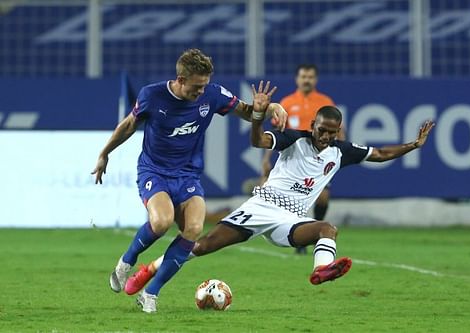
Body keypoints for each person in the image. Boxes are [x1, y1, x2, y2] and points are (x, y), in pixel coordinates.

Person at [123, 83, 436, 299]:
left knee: (328, 228)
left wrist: (414, 145)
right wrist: (258, 117)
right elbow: (258, 141)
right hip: (261, 208)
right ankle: (150, 269)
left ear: (338, 132)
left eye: (331, 133)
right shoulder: (293, 139)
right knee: (202, 246)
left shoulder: (341, 151)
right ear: (312, 124)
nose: (325, 137)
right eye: (321, 130)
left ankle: (321, 271)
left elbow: (379, 154)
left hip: (291, 220)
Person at [91, 49, 287, 313]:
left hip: (187, 174)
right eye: (196, 87)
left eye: (204, 85)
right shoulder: (152, 95)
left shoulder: (213, 94)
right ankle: (126, 262)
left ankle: (151, 293)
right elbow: (128, 125)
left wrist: (267, 108)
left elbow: (247, 111)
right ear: (180, 80)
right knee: (161, 221)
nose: (200, 92)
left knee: (193, 230)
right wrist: (105, 154)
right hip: (154, 171)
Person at [262, 64, 345, 254]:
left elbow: (338, 129)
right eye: (303, 76)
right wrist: (267, 159)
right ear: (297, 79)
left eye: (310, 77)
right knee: (295, 197)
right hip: (294, 160)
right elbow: (277, 133)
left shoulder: (325, 101)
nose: (306, 80)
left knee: (323, 198)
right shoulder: (288, 102)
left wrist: (342, 151)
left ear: (315, 79)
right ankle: (298, 238)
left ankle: (316, 232)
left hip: (320, 159)